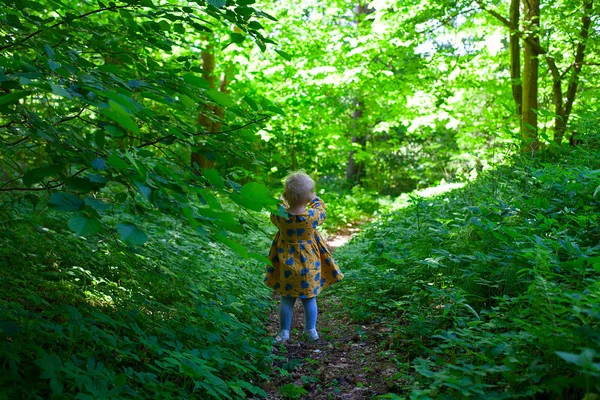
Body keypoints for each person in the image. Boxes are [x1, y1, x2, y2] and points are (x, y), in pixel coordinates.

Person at [264, 171, 344, 342]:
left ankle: (284, 332)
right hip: (309, 264)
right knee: (309, 299)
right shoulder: (311, 217)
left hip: (287, 265)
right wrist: (315, 199)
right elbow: (321, 210)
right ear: (308, 198)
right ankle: (310, 330)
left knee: (286, 299)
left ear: (286, 196)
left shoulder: (281, 216)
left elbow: (273, 213)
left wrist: (281, 201)